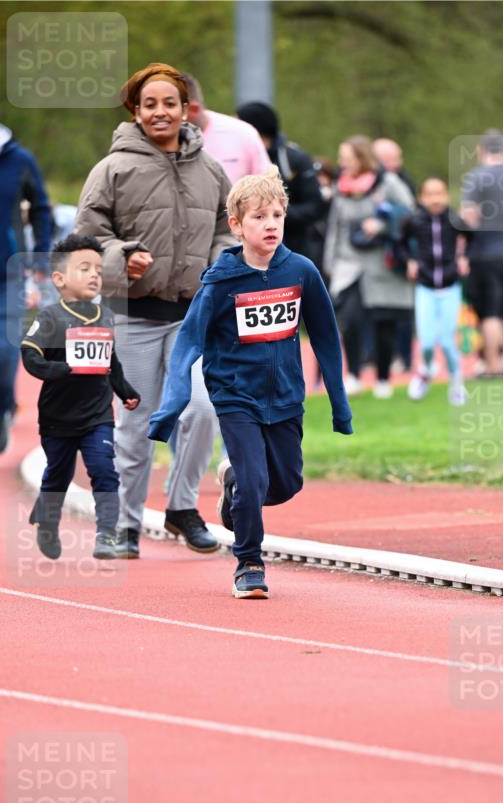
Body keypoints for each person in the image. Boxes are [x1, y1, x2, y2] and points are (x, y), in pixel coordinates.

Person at [148, 168, 352, 599]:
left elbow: (327, 338)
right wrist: (172, 405)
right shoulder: (221, 281)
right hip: (234, 394)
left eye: (277, 214)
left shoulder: (301, 271)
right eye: (259, 216)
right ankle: (249, 563)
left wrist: (339, 403)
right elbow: (188, 342)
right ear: (236, 225)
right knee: (255, 479)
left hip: (286, 397)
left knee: (286, 484)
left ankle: (234, 488)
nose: (271, 223)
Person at [75, 62, 234, 558]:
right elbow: (85, 238)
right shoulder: (112, 169)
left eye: (170, 103)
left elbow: (227, 231)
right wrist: (122, 257)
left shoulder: (209, 168)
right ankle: (123, 524)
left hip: (192, 316)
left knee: (204, 411)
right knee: (137, 423)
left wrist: (216, 269)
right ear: (135, 111)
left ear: (187, 109)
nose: (160, 112)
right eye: (150, 104)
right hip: (134, 315)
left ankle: (182, 507)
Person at [21, 235, 140, 560]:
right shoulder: (49, 318)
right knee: (58, 474)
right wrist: (62, 368)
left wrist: (126, 392)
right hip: (58, 416)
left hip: (97, 415)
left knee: (103, 469)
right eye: (84, 268)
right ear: (59, 280)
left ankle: (106, 535)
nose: (94, 276)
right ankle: (47, 520)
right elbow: (30, 356)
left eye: (98, 270)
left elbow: (110, 363)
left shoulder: (105, 316)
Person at [0, 91, 52, 465]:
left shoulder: (18, 160)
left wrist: (39, 256)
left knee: (4, 353)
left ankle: (3, 406)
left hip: (6, 274)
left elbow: (40, 208)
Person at [323, 134, 414, 397]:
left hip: (381, 263)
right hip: (349, 262)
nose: (342, 163)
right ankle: (353, 374)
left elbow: (409, 212)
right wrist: (330, 261)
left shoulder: (388, 183)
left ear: (361, 159)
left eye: (347, 159)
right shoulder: (341, 187)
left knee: (383, 322)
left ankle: (384, 378)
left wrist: (382, 225)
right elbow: (335, 226)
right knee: (350, 319)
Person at [461, 129, 503, 376]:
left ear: (481, 150)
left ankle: (492, 365)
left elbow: (470, 215)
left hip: (485, 251)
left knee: (490, 312)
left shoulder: (476, 177)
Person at [400, 177, 469, 405]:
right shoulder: (414, 221)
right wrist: (410, 261)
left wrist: (463, 258)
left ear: (446, 195)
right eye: (430, 194)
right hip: (426, 287)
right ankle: (426, 371)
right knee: (427, 342)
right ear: (422, 198)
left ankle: (457, 384)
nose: (435, 199)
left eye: (439, 193)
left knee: (448, 341)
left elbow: (472, 238)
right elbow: (400, 242)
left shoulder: (454, 219)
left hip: (450, 286)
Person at [236, 101, 324, 258]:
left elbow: (314, 207)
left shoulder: (295, 159)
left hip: (294, 250)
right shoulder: (239, 158)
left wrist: (271, 213)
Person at [373, 137, 415, 371]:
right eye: (393, 159)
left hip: (400, 254)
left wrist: (383, 222)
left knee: (402, 310)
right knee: (377, 313)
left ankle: (404, 357)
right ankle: (375, 357)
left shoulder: (402, 182)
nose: (399, 163)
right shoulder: (367, 181)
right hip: (375, 256)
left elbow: (409, 215)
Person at [182, 73, 270, 182]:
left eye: (171, 106)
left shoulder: (243, 133)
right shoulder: (160, 140)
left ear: (194, 109)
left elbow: (269, 188)